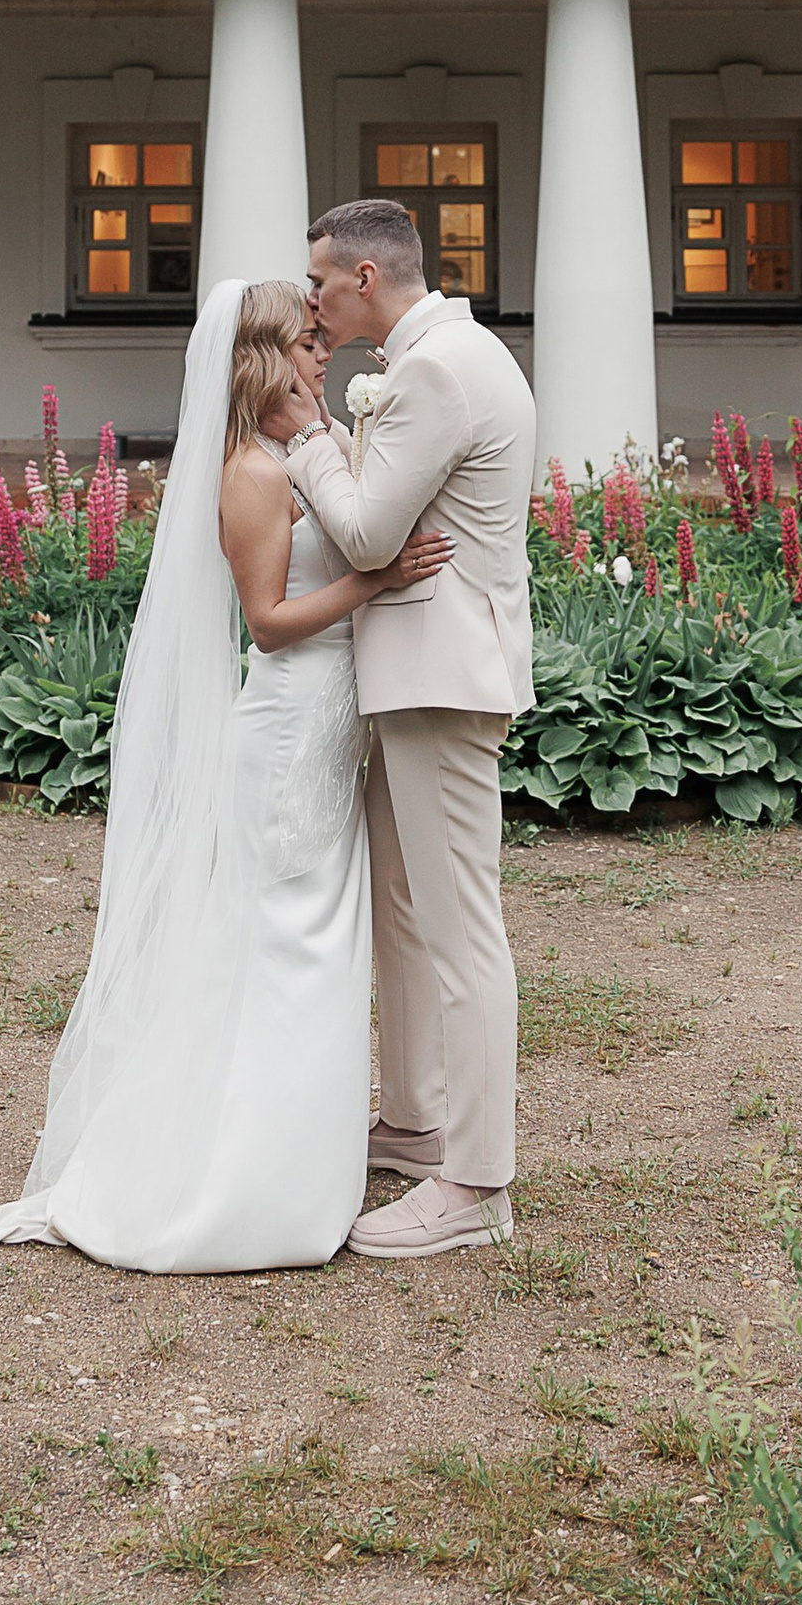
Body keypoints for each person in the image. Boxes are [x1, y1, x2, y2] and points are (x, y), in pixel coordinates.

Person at [0, 280, 450, 1271]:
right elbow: (267, 621)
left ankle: (292, 1160)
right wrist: (377, 583)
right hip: (287, 729)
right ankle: (246, 1186)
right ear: (263, 359)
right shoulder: (248, 475)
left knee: (309, 942)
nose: (323, 359)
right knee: (287, 942)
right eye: (307, 345)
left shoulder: (294, 455)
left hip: (326, 727)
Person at [279, 198, 539, 1259]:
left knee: (457, 924)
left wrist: (309, 443)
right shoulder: (446, 354)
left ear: (367, 282)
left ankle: (474, 1185)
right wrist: (345, 439)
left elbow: (365, 530)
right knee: (407, 913)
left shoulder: (435, 369)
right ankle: (416, 1122)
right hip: (422, 668)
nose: (312, 299)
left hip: (442, 673)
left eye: (320, 283)